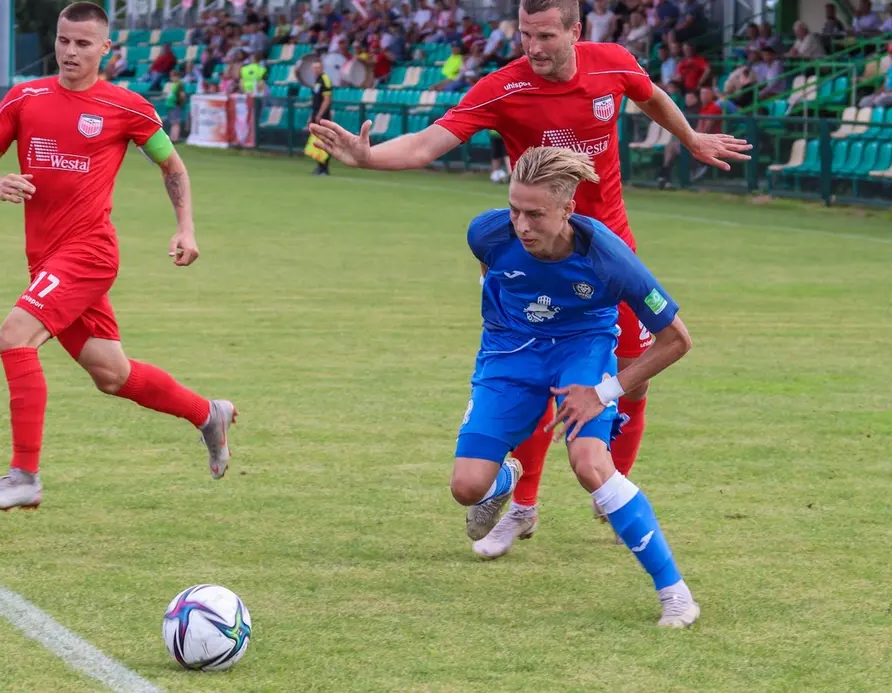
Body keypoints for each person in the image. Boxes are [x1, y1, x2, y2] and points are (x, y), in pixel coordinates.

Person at [309, 0, 750, 554]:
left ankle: (612, 485)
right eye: (524, 35)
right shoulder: (504, 88)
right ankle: (521, 506)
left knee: (635, 373)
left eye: (545, 35)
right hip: (540, 258)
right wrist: (368, 158)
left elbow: (653, 97)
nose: (533, 48)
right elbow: (428, 142)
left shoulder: (611, 63)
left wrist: (692, 138)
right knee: (541, 375)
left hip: (609, 252)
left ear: (575, 32)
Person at [0, 2, 238, 511]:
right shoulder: (24, 98)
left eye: (83, 43)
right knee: (111, 375)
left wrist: (186, 227)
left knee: (14, 336)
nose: (71, 51)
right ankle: (208, 413)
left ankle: (24, 475)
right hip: (44, 258)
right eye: (64, 40)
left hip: (88, 254)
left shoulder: (127, 107)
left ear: (106, 49)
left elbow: (173, 167)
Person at [455, 146, 698, 627]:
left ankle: (675, 593)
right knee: (467, 488)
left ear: (568, 209)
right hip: (509, 352)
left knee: (590, 464)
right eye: (515, 209)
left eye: (535, 214)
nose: (521, 225)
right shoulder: (486, 231)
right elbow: (494, 278)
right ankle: (505, 480)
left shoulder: (608, 256)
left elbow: (677, 340)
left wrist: (604, 391)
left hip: (581, 349)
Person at [308, 56, 333, 176]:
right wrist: (311, 115)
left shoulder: (325, 79)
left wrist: (320, 115)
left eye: (318, 67)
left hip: (323, 117)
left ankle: (325, 168)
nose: (316, 70)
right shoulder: (316, 81)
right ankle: (319, 167)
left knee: (324, 141)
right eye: (314, 68)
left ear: (322, 67)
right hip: (316, 115)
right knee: (316, 142)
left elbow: (327, 99)